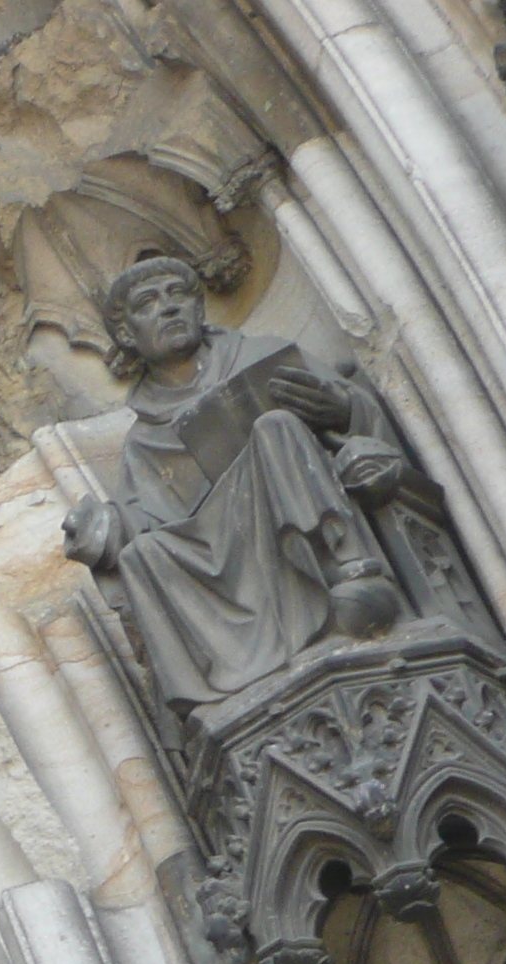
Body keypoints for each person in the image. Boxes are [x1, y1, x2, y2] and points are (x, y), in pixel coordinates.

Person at [61, 254, 408, 714]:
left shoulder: (264, 356)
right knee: (143, 554)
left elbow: (372, 427)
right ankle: (206, 692)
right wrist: (103, 530)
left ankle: (351, 571)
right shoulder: (143, 438)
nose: (169, 308)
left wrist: (343, 410)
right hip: (224, 542)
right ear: (128, 335)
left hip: (291, 502)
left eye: (178, 295)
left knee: (275, 427)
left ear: (199, 310)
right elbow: (151, 519)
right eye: (149, 303)